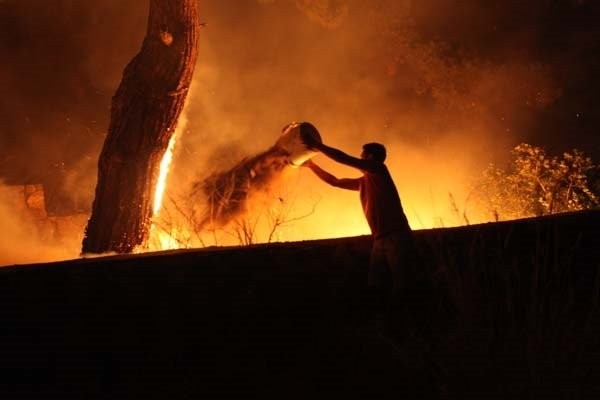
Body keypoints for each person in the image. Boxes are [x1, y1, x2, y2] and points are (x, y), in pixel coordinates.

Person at [299, 123, 420, 314]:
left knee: (403, 285)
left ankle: (404, 322)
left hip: (396, 237)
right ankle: (383, 321)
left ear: (371, 157)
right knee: (376, 285)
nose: (360, 158)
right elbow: (336, 182)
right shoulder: (365, 181)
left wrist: (317, 146)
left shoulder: (379, 169)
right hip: (380, 240)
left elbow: (344, 159)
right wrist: (312, 166)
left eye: (363, 155)